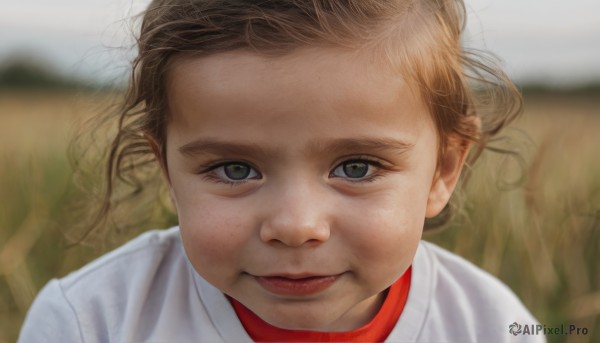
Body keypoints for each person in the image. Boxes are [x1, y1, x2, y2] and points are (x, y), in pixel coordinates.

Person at [19, 0, 544, 342]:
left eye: (356, 167)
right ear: (168, 172)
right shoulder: (94, 321)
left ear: (442, 172)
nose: (296, 226)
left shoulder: (491, 324)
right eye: (235, 169)